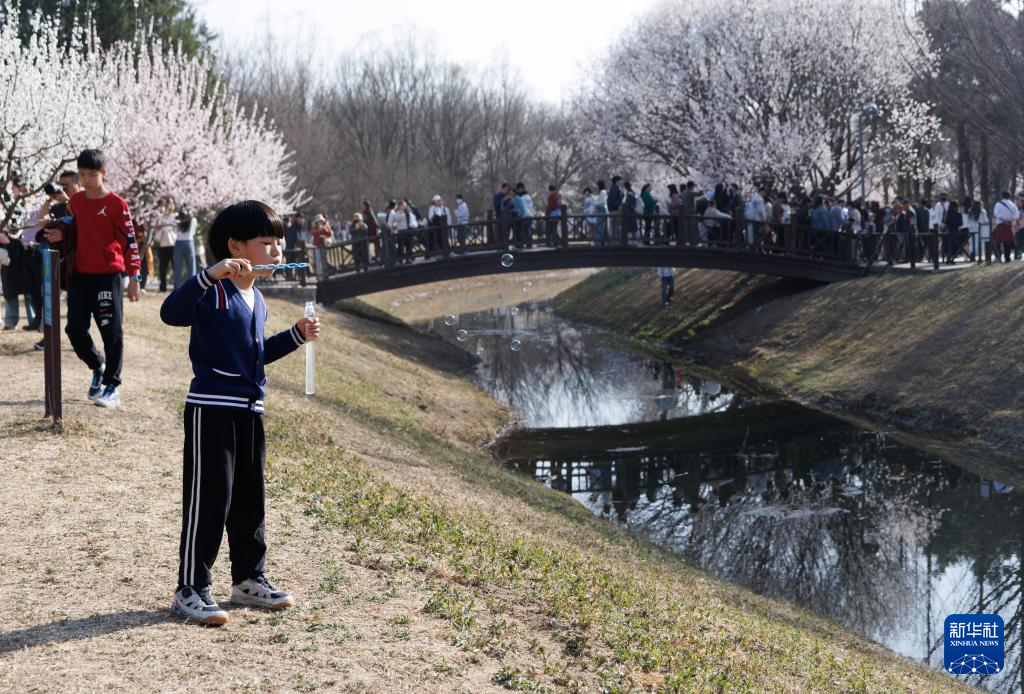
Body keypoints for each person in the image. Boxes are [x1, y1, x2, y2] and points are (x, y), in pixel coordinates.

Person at [160, 199, 321, 626]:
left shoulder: (257, 298)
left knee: (250, 499)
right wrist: (208, 274)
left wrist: (295, 336)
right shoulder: (213, 291)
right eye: (266, 242)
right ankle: (191, 587)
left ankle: (249, 579)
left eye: (278, 243)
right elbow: (170, 313)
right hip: (212, 410)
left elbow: (255, 354)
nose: (277, 251)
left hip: (250, 410)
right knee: (210, 500)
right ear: (235, 246)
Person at [42, 148, 141, 408]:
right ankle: (98, 365)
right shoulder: (76, 202)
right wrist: (61, 233)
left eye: (92, 175)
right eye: (83, 174)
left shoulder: (117, 204)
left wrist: (134, 277)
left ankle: (112, 386)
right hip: (80, 276)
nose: (86, 180)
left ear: (103, 173)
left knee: (111, 332)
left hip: (109, 276)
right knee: (74, 329)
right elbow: (75, 229)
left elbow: (130, 242)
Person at [155, 198, 178, 292]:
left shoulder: (175, 216)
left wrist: (166, 225)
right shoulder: (161, 216)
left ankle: (177, 286)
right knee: (163, 268)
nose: (168, 205)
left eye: (170, 203)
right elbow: (157, 228)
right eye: (167, 203)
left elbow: (177, 228)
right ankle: (162, 287)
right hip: (163, 245)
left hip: (173, 244)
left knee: (175, 266)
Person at [174, 204, 198, 288]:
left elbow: (175, 231)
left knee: (177, 268)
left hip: (178, 242)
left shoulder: (177, 219)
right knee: (191, 267)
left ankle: (177, 288)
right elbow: (193, 233)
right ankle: (192, 287)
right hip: (189, 242)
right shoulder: (193, 219)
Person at [992, 191, 1019, 262]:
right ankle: (1007, 258)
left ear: (1002, 196)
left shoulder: (998, 204)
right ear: (1009, 196)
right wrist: (1009, 220)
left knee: (996, 241)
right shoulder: (1013, 205)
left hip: (1000, 225)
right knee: (1007, 243)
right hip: (1009, 225)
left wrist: (1003, 220)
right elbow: (1016, 215)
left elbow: (996, 213)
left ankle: (998, 256)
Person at [593, 180, 609, 245]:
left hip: (601, 210)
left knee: (600, 225)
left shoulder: (602, 192)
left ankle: (599, 241)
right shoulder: (602, 192)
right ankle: (602, 240)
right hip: (601, 210)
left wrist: (596, 203)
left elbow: (603, 202)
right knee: (601, 226)